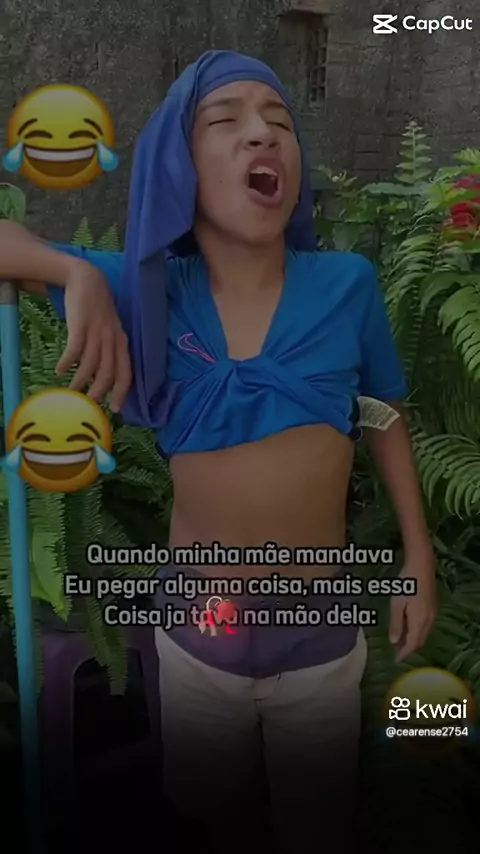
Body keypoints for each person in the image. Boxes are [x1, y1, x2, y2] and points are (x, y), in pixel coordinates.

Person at [0, 51, 436, 853]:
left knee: (317, 830)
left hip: (318, 637)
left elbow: (383, 417)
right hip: (198, 639)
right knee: (214, 822)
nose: (260, 135)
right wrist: (72, 272)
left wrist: (417, 554)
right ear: (179, 167)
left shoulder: (347, 284)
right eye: (225, 121)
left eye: (279, 122)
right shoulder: (151, 295)